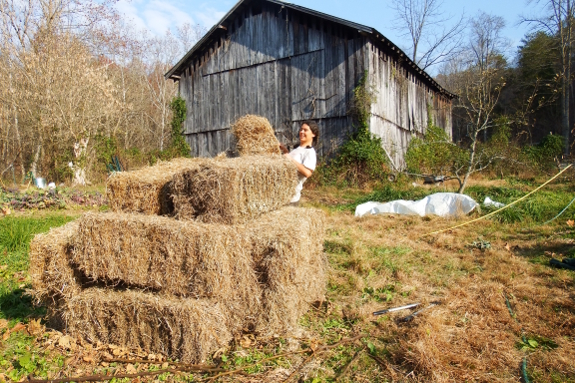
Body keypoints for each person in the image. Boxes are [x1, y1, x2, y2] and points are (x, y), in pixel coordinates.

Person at [280, 121, 319, 204]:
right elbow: (290, 161)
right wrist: (284, 150)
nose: (302, 132)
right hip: (282, 194)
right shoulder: (298, 148)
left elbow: (307, 173)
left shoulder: (309, 152)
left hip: (291, 197)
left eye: (305, 130)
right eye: (301, 129)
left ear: (313, 134)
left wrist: (290, 159)